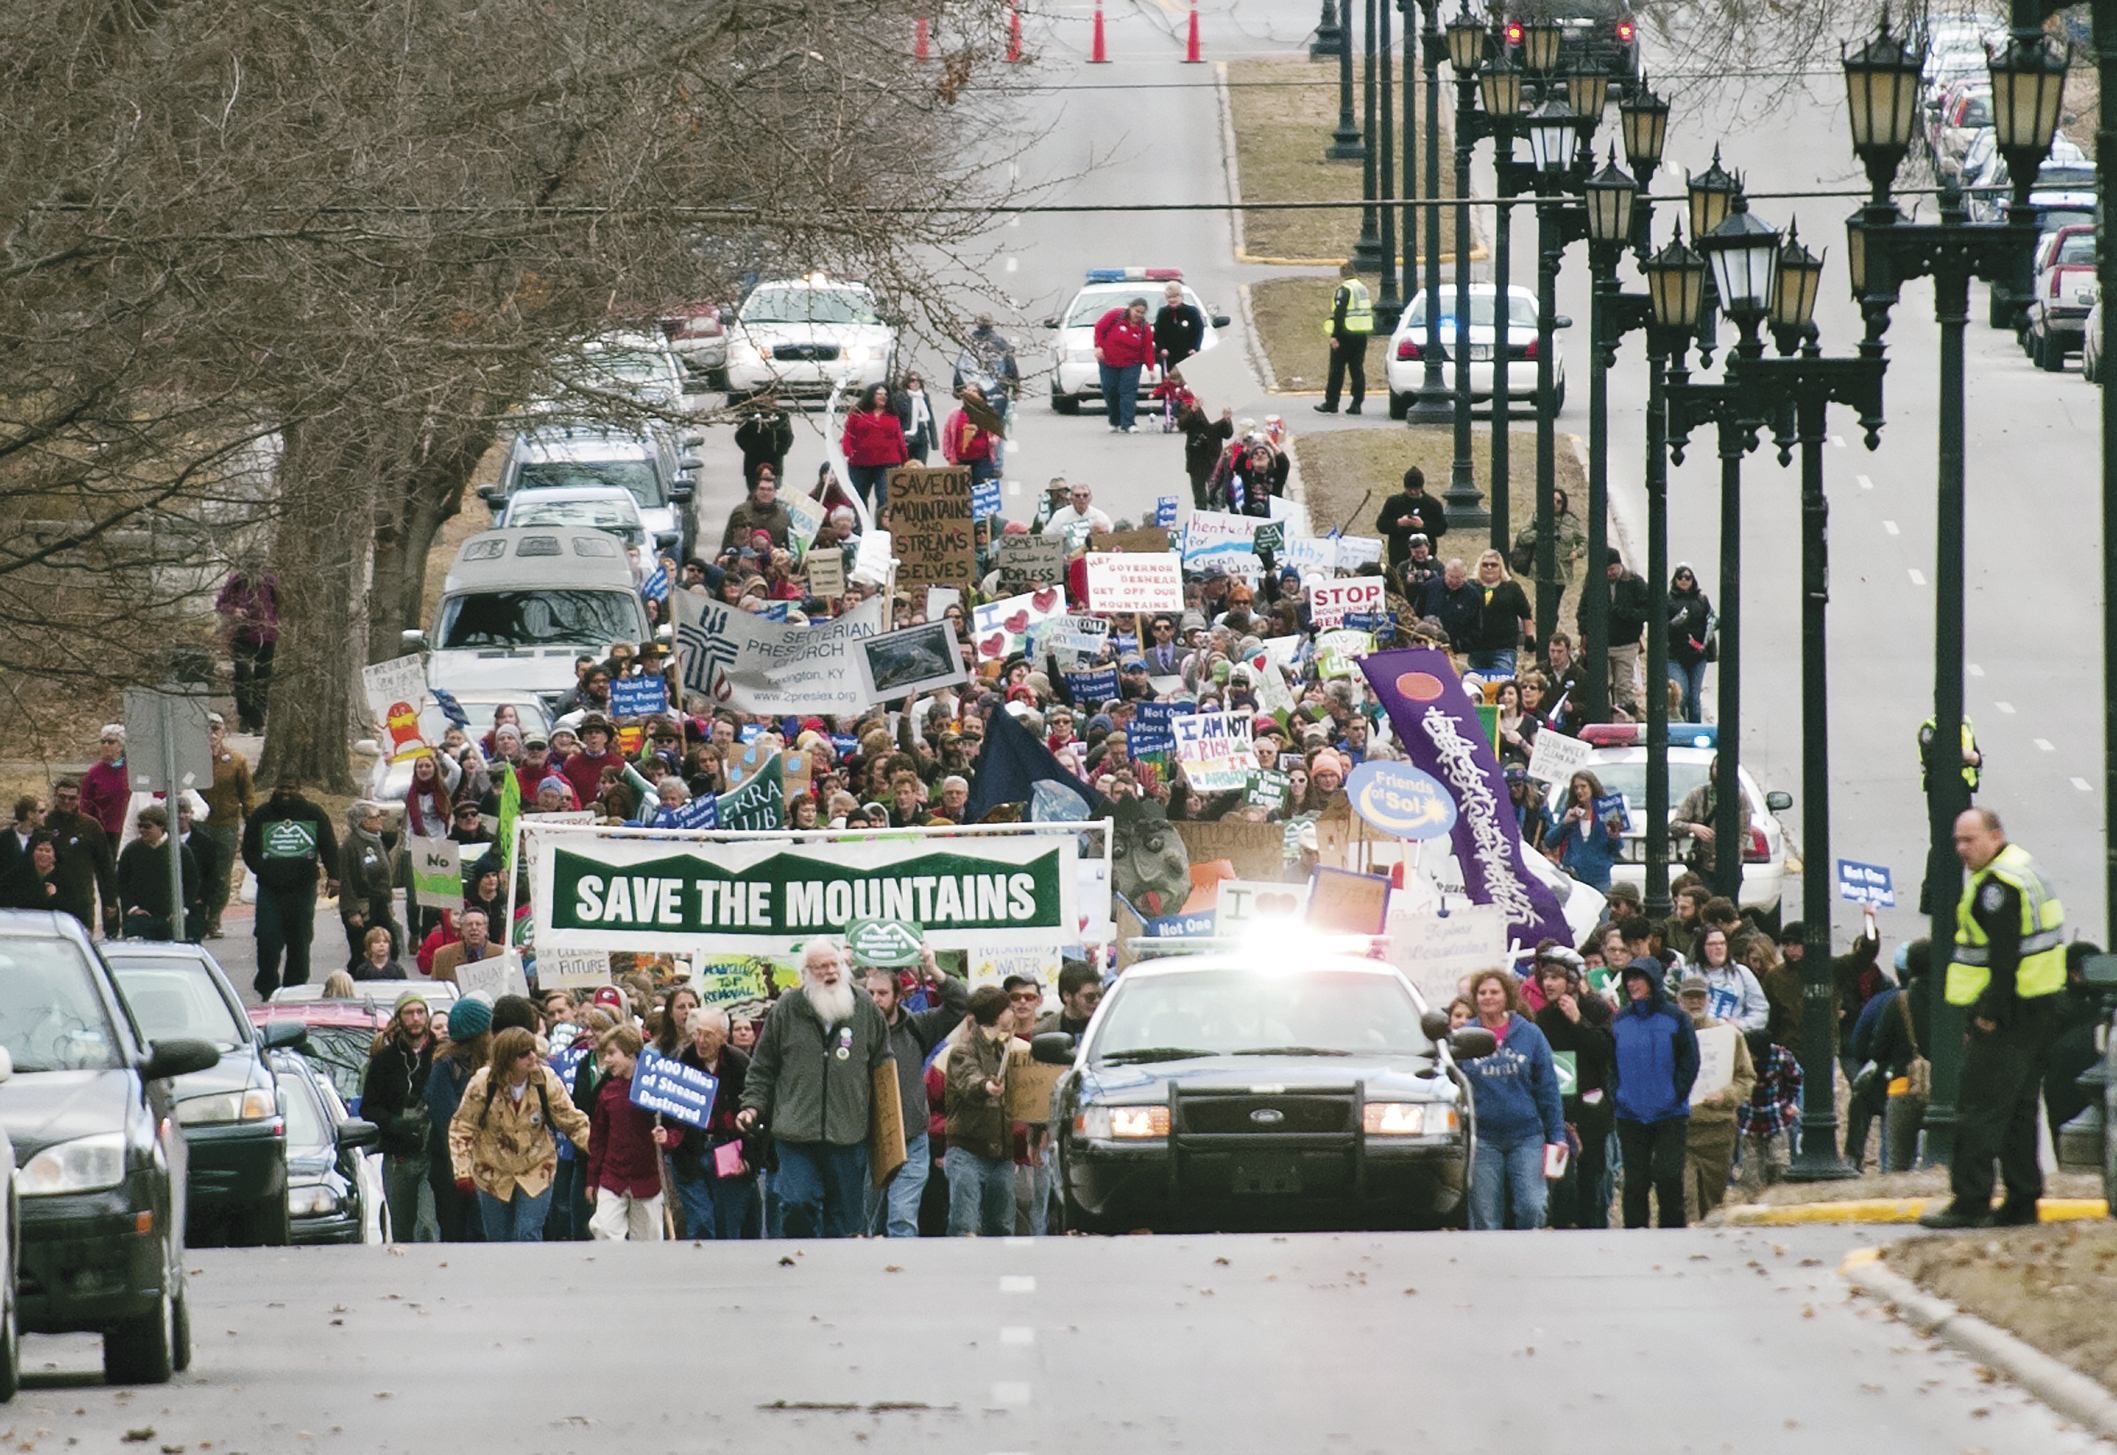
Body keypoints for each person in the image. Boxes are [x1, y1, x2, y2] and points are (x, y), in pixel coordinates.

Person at [1921, 808, 2066, 1229]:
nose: (1962, 850)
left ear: (1995, 835)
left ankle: (1970, 1199)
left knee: (1978, 1110)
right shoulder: (2021, 867)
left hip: (2008, 1014)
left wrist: (1987, 1014)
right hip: (2039, 1006)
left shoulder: (1997, 887)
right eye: (1957, 841)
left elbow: (2004, 958)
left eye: (1970, 840)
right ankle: (2022, 1200)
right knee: (2019, 1110)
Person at [737, 940, 895, 1238]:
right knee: (797, 1203)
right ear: (806, 972)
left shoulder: (864, 1008)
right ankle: (802, 1262)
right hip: (796, 1131)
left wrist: (887, 1127)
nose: (830, 971)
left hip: (849, 1131)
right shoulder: (788, 1008)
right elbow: (763, 1065)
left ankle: (838, 1278)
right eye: (822, 966)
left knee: (846, 1219)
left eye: (834, 964)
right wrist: (752, 1104)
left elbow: (884, 1066)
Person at [448, 1025, 593, 1242]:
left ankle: (530, 1275)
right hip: (492, 1170)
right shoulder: (483, 1083)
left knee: (528, 1233)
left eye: (533, 1050)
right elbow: (463, 1127)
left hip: (536, 1167)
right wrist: (462, 1172)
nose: (532, 1057)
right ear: (507, 1058)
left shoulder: (546, 1079)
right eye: (524, 1053)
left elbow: (572, 1121)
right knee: (498, 1239)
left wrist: (599, 1150)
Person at [864, 946, 967, 1238]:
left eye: (882, 993)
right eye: (870, 993)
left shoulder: (917, 1027)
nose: (875, 1000)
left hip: (911, 1139)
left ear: (899, 996)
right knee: (864, 1224)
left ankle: (900, 1277)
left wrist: (934, 971)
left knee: (902, 1220)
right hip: (866, 1140)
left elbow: (959, 1004)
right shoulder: (853, 1032)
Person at [1455, 969, 1566, 1230]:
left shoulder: (1530, 1034)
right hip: (1482, 1138)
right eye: (1482, 993)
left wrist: (1557, 1134)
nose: (1487, 997)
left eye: (1494, 992)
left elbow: (1548, 1088)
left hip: (1527, 1136)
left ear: (1507, 996)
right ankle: (1489, 1265)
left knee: (1532, 1205)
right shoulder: (1463, 1037)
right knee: (1484, 1214)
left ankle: (1528, 1259)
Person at [1609, 956, 1699, 1228]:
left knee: (1668, 1175)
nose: (1633, 984)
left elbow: (1690, 1061)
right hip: (1630, 1113)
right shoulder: (1619, 1020)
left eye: (1639, 978)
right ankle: (1635, 1235)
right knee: (1635, 1181)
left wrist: (1676, 1094)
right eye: (1629, 979)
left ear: (1653, 981)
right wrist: (1618, 1096)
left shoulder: (1676, 1018)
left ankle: (1673, 1232)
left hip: (1669, 1113)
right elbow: (1610, 1064)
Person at [1533, 951, 1615, 1230]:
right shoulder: (1542, 1018)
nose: (1548, 984)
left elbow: (1605, 1051)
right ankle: (1561, 1227)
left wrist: (1579, 1021)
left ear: (1572, 981)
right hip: (1561, 1109)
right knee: (1561, 1180)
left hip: (1593, 1105)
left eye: (1555, 977)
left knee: (1593, 1176)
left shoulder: (1596, 1009)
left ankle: (1595, 1229)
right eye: (1545, 977)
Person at [241, 773, 339, 997]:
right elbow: (248, 849)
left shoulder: (313, 814)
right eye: (282, 788)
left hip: (302, 888)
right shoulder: (262, 815)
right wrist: (262, 869)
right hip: (269, 889)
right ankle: (268, 986)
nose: (285, 793)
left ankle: (295, 988)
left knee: (300, 939)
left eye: (290, 788)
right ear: (275, 788)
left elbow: (329, 846)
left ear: (299, 788)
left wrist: (335, 876)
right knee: (267, 937)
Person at [667, 1006, 758, 1240]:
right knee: (701, 1223)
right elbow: (669, 1111)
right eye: (698, 1033)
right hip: (691, 1151)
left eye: (708, 1034)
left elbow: (758, 1112)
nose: (701, 1040)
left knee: (729, 1226)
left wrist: (749, 1160)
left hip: (728, 1148)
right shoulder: (680, 1060)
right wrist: (667, 1137)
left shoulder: (740, 1064)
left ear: (723, 1038)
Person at [1675, 974, 1757, 1222]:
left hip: (1717, 1130)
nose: (1694, 1003)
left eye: (1699, 997)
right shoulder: (1670, 1033)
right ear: (1679, 1000)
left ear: (1709, 1000)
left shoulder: (1728, 1035)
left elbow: (1746, 1078)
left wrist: (1726, 1095)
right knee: (1685, 1199)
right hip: (1681, 1128)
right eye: (1688, 997)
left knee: (1712, 1202)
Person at [363, 989, 439, 1243]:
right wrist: (393, 1123)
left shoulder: (441, 1055)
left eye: (420, 1012)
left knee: (428, 1222)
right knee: (402, 1226)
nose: (415, 1018)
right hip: (399, 1157)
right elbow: (369, 1107)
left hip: (434, 1153)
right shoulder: (385, 1060)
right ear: (399, 1018)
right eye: (409, 1013)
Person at [944, 985, 1018, 1236]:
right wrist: (986, 1086)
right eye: (1008, 1007)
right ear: (997, 1014)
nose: (1013, 1011)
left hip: (1001, 1154)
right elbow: (969, 1078)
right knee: (964, 1227)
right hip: (968, 1152)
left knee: (1002, 1228)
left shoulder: (1003, 1049)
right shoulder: (962, 1051)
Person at [424, 992, 493, 1241]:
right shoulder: (445, 1065)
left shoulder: (490, 1064)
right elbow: (445, 1116)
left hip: (485, 1161)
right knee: (456, 1230)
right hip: (450, 1163)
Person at [586, 1025, 665, 1241]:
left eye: (612, 1054)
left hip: (647, 1175)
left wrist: (668, 1137)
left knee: (648, 1239)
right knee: (604, 1229)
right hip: (613, 1174)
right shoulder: (608, 1091)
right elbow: (598, 1138)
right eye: (604, 1055)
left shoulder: (656, 1087)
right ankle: (613, 1272)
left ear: (631, 1054)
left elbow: (675, 1125)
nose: (607, 1061)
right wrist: (592, 1178)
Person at [198, 713, 252, 938]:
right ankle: (198, 918)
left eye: (216, 729)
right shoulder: (193, 759)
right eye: (207, 729)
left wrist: (251, 823)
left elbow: (247, 794)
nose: (211, 734)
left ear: (223, 732)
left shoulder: (236, 760)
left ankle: (214, 920)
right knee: (200, 874)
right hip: (198, 824)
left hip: (226, 824)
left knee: (221, 875)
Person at [44, 777, 117, 935]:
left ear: (78, 799)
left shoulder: (90, 826)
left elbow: (105, 866)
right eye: (62, 797)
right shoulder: (45, 824)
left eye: (71, 798)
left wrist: (110, 901)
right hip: (49, 900)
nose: (66, 801)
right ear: (55, 797)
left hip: (80, 901)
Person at [1584, 548, 1652, 715]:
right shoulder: (1594, 582)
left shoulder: (1634, 582)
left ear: (1619, 566)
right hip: (1601, 643)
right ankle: (1603, 716)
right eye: (1606, 570)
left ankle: (1624, 717)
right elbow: (1583, 610)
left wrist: (1629, 614)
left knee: (1624, 686)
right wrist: (1585, 633)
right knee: (1601, 685)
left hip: (1626, 643)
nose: (1609, 573)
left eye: (1612, 569)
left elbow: (1648, 610)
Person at [116, 805, 196, 942]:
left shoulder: (180, 850)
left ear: (161, 827)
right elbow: (121, 883)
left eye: (147, 826)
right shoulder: (131, 851)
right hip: (140, 921)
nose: (142, 830)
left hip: (171, 919)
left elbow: (192, 882)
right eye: (140, 826)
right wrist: (132, 909)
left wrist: (181, 910)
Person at [1670, 756, 1750, 892]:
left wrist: (1733, 856)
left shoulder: (1740, 798)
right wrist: (1692, 827)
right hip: (1702, 865)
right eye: (1716, 768)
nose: (1719, 772)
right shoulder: (1697, 795)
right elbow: (1675, 825)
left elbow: (1745, 832)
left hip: (1729, 867)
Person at [216, 564, 279, 733]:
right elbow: (221, 604)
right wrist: (235, 611)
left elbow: (280, 606)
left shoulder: (271, 582)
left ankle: (258, 720)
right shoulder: (236, 581)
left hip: (266, 636)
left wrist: (271, 622)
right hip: (241, 634)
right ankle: (244, 717)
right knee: (242, 675)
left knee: (263, 677)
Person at [339, 801, 399, 968]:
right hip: (362, 907)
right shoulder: (351, 845)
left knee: (391, 949)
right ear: (363, 822)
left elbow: (385, 876)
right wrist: (352, 912)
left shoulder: (377, 841)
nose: (380, 820)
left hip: (380, 903)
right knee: (363, 953)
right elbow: (346, 881)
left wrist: (389, 903)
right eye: (375, 817)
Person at [1692, 925, 1771, 1040]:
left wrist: (1741, 1024)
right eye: (1712, 944)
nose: (1719, 947)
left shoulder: (1742, 973)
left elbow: (1760, 1010)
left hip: (1735, 1038)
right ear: (1701, 947)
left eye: (1722, 943)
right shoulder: (1689, 973)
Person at [1314, 262, 1373, 414]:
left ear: (1342, 275)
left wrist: (1335, 336)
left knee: (1336, 370)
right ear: (1356, 273)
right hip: (1361, 335)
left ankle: (1332, 402)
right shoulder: (1363, 289)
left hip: (1345, 334)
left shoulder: (1344, 290)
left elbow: (1339, 314)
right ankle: (1356, 403)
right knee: (1357, 369)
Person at [843, 382, 909, 512]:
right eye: (879, 394)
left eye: (885, 395)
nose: (882, 397)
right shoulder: (857, 414)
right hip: (860, 463)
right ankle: (860, 528)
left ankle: (882, 528)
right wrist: (849, 451)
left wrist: (905, 459)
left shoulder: (892, 416)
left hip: (887, 462)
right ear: (871, 395)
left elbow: (899, 439)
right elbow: (848, 434)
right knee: (859, 497)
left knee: (884, 498)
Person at [1092, 295, 1154, 432]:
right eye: (1136, 311)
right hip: (1108, 361)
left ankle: (1128, 423)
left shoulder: (1144, 327)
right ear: (1130, 309)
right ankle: (1114, 421)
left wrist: (1151, 368)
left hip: (1131, 363)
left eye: (1142, 313)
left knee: (1128, 392)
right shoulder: (1115, 315)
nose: (1138, 315)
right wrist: (1098, 346)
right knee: (1110, 390)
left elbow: (1147, 348)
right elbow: (1099, 328)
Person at [1467, 551, 1533, 677]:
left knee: (1501, 685)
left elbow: (1525, 613)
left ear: (1501, 567)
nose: (1489, 568)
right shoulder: (1471, 587)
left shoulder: (1511, 587)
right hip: (1477, 647)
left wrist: (1529, 636)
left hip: (1504, 647)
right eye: (1485, 565)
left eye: (1494, 565)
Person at [1666, 563, 1714, 724]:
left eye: (1688, 577)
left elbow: (1710, 625)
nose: (1684, 581)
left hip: (1697, 656)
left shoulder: (1701, 600)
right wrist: (1673, 624)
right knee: (1682, 694)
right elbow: (1660, 629)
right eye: (1680, 577)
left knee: (1694, 697)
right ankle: (1680, 727)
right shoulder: (1669, 600)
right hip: (1674, 656)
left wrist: (1710, 652)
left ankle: (1696, 729)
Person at [1376, 467, 1447, 572]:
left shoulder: (1432, 504)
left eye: (1416, 489)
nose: (1413, 492)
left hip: (1426, 559)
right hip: (1398, 556)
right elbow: (1381, 525)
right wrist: (1398, 523)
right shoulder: (1394, 503)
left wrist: (1423, 525)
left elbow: (1442, 528)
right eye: (1410, 489)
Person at [79, 725, 130, 843]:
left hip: (127, 829)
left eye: (111, 742)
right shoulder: (94, 772)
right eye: (103, 742)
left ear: (121, 747)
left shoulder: (131, 770)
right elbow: (85, 803)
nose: (105, 745)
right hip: (103, 832)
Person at [719, 469, 792, 551]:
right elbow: (727, 542)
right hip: (744, 559)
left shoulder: (783, 515)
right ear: (756, 491)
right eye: (762, 489)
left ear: (775, 492)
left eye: (769, 490)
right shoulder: (741, 512)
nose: (765, 493)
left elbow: (791, 546)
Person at [430, 907, 502, 985]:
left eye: (478, 924)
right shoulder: (443, 955)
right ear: (462, 929)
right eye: (469, 924)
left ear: (486, 929)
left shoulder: (501, 954)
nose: (474, 928)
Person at [0, 831, 61, 913]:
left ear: (54, 855)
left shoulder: (63, 876)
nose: (43, 854)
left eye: (47, 851)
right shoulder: (18, 872)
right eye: (40, 850)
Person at [1153, 280, 1206, 372]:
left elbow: (1198, 331)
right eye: (1169, 297)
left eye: (1175, 296)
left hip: (1188, 353)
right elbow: (1158, 332)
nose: (1172, 300)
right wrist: (1162, 348)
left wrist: (1195, 348)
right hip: (1169, 355)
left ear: (1181, 296)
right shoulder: (1162, 313)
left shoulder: (1192, 312)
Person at [734, 406, 794, 486]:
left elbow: (788, 436)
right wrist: (751, 450)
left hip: (775, 462)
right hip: (753, 463)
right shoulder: (750, 414)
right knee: (754, 493)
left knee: (773, 491)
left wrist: (779, 451)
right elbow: (740, 435)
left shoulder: (781, 414)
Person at [1039, 481, 1113, 541]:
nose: (1081, 499)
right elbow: (1046, 537)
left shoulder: (1099, 516)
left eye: (1085, 495)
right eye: (1077, 496)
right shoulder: (1059, 516)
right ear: (1071, 499)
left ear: (1090, 498)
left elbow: (1112, 535)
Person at [894, 371, 940, 462]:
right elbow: (897, 419)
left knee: (921, 467)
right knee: (906, 466)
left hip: (921, 438)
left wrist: (934, 441)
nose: (915, 383)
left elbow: (930, 419)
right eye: (912, 381)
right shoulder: (900, 397)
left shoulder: (923, 397)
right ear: (907, 383)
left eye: (918, 381)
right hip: (906, 438)